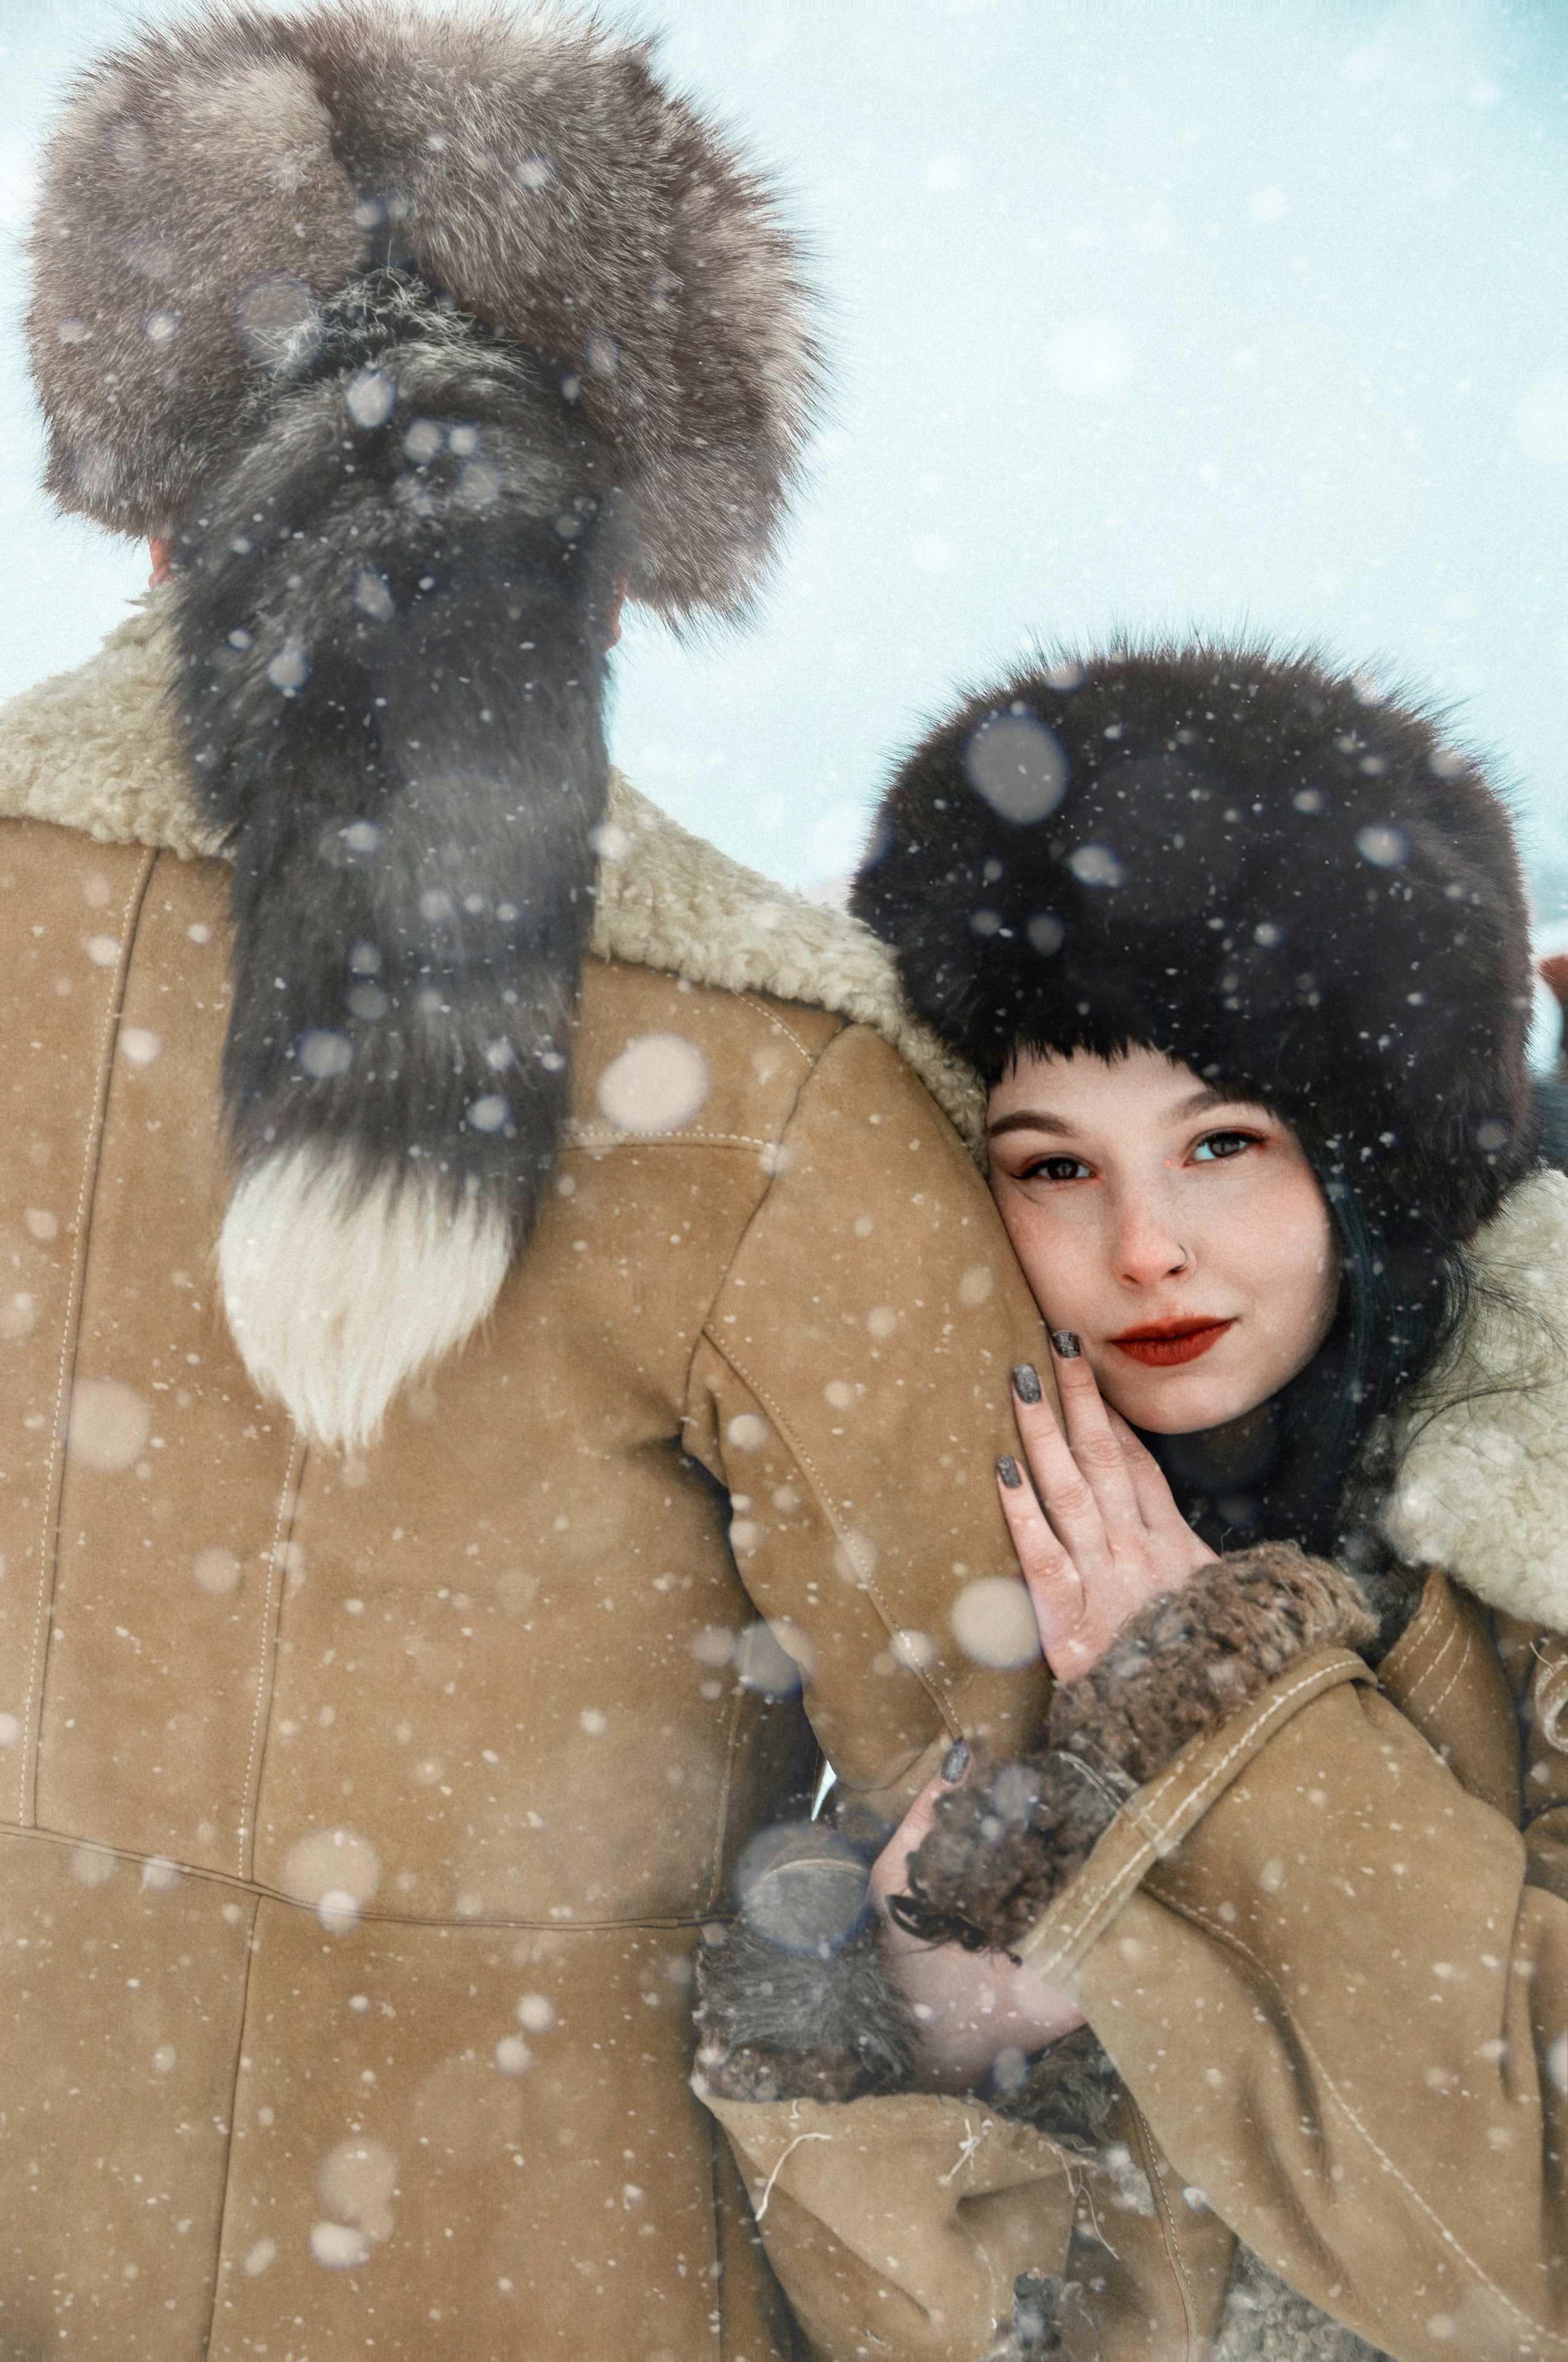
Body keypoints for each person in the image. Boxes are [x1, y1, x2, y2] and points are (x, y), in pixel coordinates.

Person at [0, 7, 1063, 2350]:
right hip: (530, 2261)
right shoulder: (780, 1086)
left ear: (153, 474)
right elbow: (1009, 1844)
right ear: (618, 542)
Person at [696, 643, 1568, 2361]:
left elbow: (1530, 2239)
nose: (1144, 1246)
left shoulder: (1536, 1535)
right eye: (1054, 1166)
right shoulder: (897, 1571)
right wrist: (924, 2031)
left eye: (1223, 1141)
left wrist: (1228, 1718)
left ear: (1371, 1144)